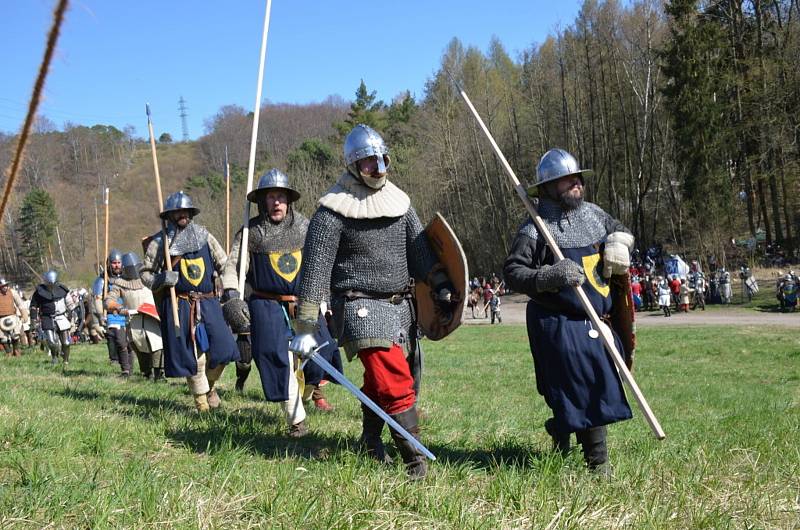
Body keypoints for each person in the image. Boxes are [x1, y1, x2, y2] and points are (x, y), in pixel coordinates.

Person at [289, 124, 455, 479]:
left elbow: (421, 253)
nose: (378, 169)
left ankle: (369, 440)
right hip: (360, 308)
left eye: (383, 161)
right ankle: (416, 463)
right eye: (368, 163)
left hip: (401, 308)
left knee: (388, 379)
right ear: (352, 166)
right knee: (394, 382)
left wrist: (441, 283)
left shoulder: (400, 204)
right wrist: (304, 328)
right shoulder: (332, 211)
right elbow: (315, 272)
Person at [503, 148, 633, 473]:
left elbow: (622, 230)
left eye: (576, 178)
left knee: (596, 384)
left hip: (598, 319)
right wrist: (549, 275)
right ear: (547, 188)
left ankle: (562, 426)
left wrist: (619, 243)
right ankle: (598, 464)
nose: (575, 184)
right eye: (565, 181)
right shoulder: (535, 227)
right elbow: (513, 272)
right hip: (558, 321)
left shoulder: (594, 214)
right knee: (583, 385)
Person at [221, 169, 342, 436]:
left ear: (289, 200)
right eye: (270, 197)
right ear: (262, 201)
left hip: (304, 303)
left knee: (321, 352)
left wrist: (326, 297)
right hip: (266, 305)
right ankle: (296, 420)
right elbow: (233, 267)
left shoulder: (305, 227)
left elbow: (320, 264)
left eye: (281, 197)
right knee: (277, 358)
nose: (276, 202)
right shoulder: (251, 233)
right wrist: (231, 295)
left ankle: (309, 392)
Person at [141, 191, 239, 412]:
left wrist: (229, 286)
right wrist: (161, 279)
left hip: (209, 301)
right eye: (177, 212)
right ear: (170, 215)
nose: (182, 215)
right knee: (195, 358)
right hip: (180, 304)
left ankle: (209, 387)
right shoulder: (160, 242)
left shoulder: (204, 236)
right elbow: (145, 273)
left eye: (185, 211)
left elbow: (224, 263)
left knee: (223, 350)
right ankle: (201, 402)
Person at [106, 252, 165, 380]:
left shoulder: (149, 278)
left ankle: (159, 373)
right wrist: (120, 308)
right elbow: (109, 300)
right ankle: (146, 373)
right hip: (133, 319)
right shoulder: (119, 283)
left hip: (152, 317)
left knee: (157, 344)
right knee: (140, 347)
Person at [99, 249, 133, 377]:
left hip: (128, 311)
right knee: (120, 341)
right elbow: (98, 298)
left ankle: (130, 370)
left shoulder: (128, 277)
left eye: (119, 262)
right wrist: (100, 314)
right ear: (109, 264)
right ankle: (125, 370)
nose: (117, 265)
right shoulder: (104, 280)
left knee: (130, 342)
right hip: (113, 313)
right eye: (114, 263)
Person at [30, 270, 72, 368]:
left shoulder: (63, 289)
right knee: (52, 342)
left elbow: (70, 304)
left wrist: (72, 313)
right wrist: (33, 320)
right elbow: (33, 306)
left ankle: (66, 361)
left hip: (61, 317)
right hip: (46, 318)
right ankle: (55, 357)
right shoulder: (39, 292)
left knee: (66, 343)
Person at [0, 277, 27, 356]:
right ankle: (8, 352)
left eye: (6, 285)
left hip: (12, 317)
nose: (5, 287)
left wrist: (24, 314)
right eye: (3, 286)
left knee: (15, 335)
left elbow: (20, 304)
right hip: (0, 319)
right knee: (3, 338)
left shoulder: (12, 292)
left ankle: (16, 350)